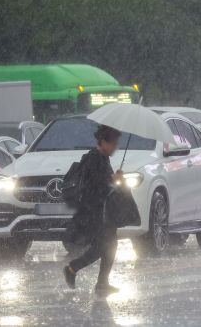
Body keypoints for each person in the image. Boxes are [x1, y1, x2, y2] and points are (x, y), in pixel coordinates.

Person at [63, 125, 122, 297]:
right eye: (113, 144)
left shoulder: (102, 158)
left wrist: (114, 179)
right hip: (93, 211)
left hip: (102, 210)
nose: (115, 148)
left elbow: (104, 183)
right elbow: (97, 186)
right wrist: (113, 181)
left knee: (110, 244)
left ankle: (101, 282)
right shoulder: (94, 159)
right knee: (102, 246)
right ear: (103, 141)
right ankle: (73, 268)